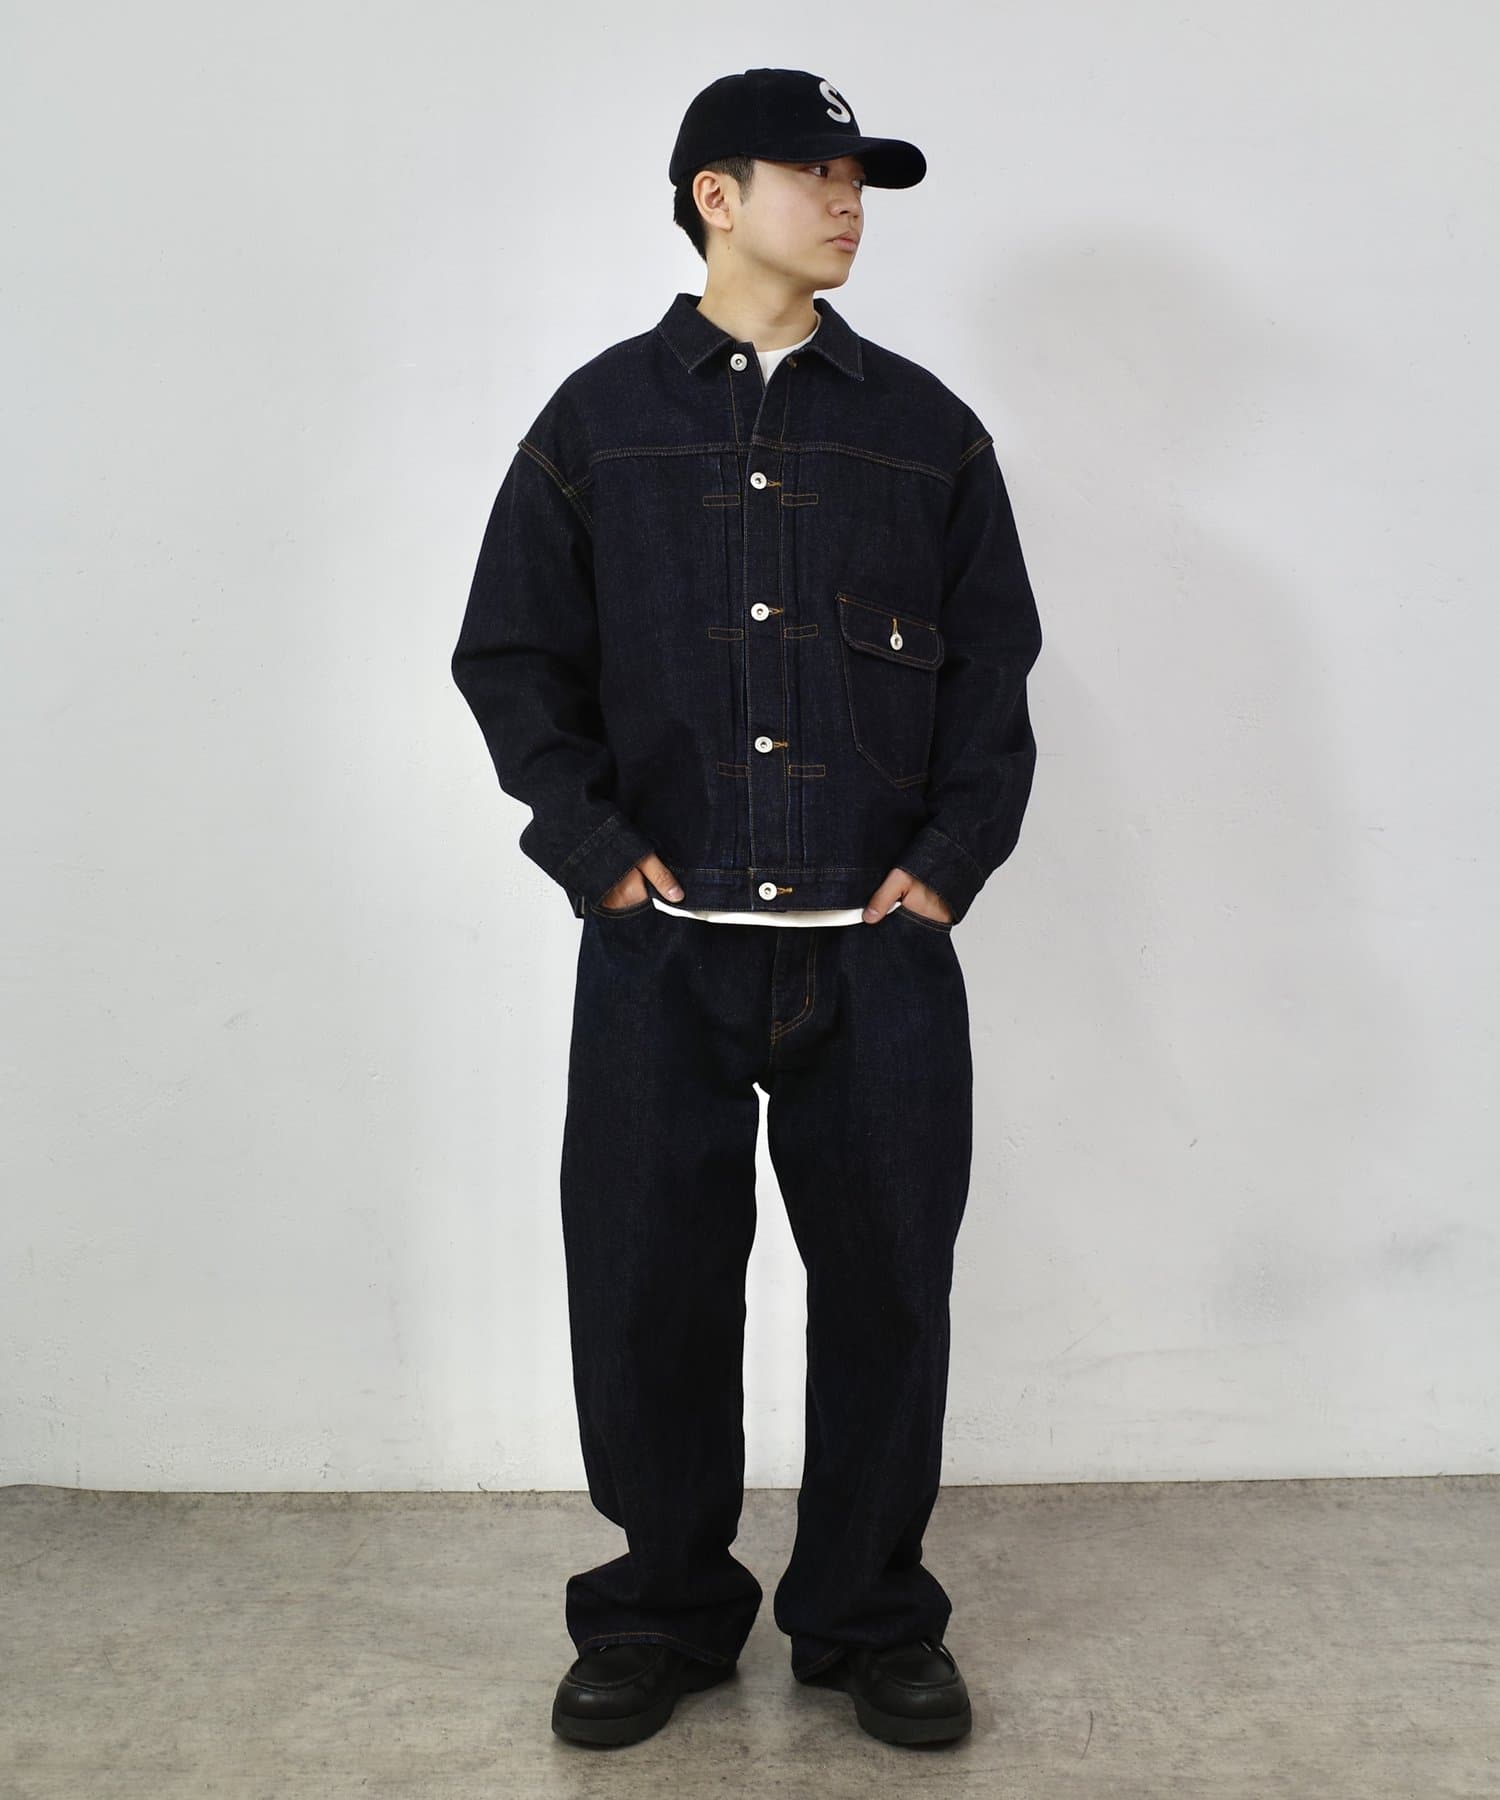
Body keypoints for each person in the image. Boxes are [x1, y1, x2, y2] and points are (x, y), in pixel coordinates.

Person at [451, 67, 1044, 1749]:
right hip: (665, 951)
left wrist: (952, 860)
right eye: (816, 172)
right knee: (647, 1288)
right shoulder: (598, 422)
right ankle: (660, 1609)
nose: (849, 202)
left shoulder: (922, 428)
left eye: (863, 178)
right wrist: (592, 849)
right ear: (715, 195)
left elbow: (995, 667)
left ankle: (866, 1616)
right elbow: (511, 656)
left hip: (879, 955)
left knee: (889, 1297)